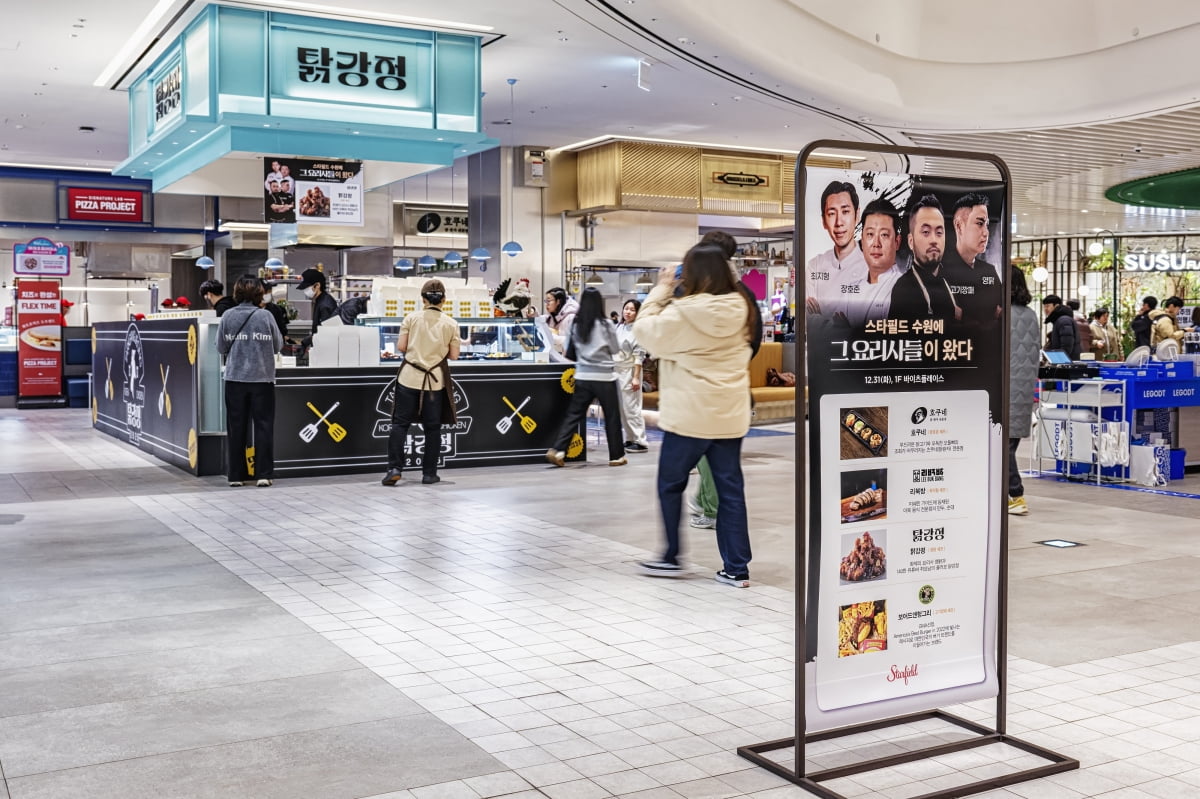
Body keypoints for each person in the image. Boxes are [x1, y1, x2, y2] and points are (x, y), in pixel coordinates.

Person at [634, 243, 756, 588]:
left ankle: (671, 556)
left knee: (670, 485)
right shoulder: (741, 307)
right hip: (729, 415)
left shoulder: (683, 312)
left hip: (690, 415)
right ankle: (736, 568)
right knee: (731, 491)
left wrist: (662, 288)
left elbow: (645, 333)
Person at [687, 229, 764, 530]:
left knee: (708, 456)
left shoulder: (706, 294)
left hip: (707, 391)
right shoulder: (742, 292)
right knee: (719, 460)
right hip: (733, 388)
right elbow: (753, 342)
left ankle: (711, 507)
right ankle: (711, 505)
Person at [382, 279, 460, 486]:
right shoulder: (451, 323)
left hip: (409, 377)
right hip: (434, 382)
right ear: (444, 300)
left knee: (400, 424)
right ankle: (429, 474)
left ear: (423, 299)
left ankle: (395, 469)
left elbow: (401, 346)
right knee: (432, 428)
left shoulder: (411, 318)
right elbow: (454, 355)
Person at [545, 287, 627, 468]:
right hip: (605, 377)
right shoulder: (606, 324)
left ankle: (559, 450)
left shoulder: (576, 324)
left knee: (574, 415)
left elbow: (569, 350)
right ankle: (616, 456)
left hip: (582, 376)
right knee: (612, 416)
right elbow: (614, 349)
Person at [216, 276, 283, 488]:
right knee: (263, 427)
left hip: (235, 379)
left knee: (236, 427)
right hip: (262, 379)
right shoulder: (265, 316)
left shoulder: (227, 315)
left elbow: (220, 347)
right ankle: (263, 474)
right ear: (259, 293)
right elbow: (278, 345)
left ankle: (236, 475)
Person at [887, 194, 960, 324]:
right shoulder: (903, 289)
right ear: (911, 241)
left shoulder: (951, 281)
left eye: (939, 233)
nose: (934, 240)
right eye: (926, 232)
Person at [806, 180, 867, 323]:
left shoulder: (872, 266)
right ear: (823, 221)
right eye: (832, 213)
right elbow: (809, 322)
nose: (839, 222)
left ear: (857, 215)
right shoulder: (814, 266)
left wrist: (821, 319)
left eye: (845, 211)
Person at [940, 193, 1003, 330]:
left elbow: (1001, 312)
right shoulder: (939, 270)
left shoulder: (989, 271)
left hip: (987, 347)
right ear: (959, 225)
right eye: (979, 223)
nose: (986, 232)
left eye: (986, 224)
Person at [839, 198, 904, 328]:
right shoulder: (852, 289)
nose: (876, 244)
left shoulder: (904, 287)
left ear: (897, 242)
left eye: (884, 235)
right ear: (862, 241)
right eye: (870, 234)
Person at [1008, 267, 1040, 516]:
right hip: (1023, 387)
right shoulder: (1030, 315)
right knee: (1009, 445)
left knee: (1002, 447)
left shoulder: (1001, 314)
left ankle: (1015, 495)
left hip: (1005, 387)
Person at [615, 299, 649, 454]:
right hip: (617, 370)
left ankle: (640, 440)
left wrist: (635, 377)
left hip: (630, 371)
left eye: (632, 310)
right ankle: (630, 438)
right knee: (623, 407)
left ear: (637, 313)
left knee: (632, 407)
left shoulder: (639, 330)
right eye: (626, 308)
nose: (627, 312)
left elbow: (639, 355)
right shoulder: (620, 327)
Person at [297, 268, 338, 351]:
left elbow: (326, 333)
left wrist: (307, 341)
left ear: (317, 286)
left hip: (327, 350)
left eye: (307, 287)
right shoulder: (320, 300)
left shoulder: (325, 304)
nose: (305, 291)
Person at [541, 287, 579, 361]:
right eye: (545, 301)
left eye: (549, 301)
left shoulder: (571, 317)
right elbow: (541, 319)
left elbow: (572, 342)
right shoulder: (552, 316)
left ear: (558, 301)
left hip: (568, 361)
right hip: (556, 359)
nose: (547, 304)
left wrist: (552, 337)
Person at [1042, 294, 1079, 359]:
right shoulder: (1059, 320)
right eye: (1044, 306)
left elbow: (1066, 345)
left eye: (1047, 306)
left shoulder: (1063, 320)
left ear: (1056, 306)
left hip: (1068, 363)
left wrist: (1058, 359)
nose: (1045, 309)